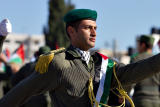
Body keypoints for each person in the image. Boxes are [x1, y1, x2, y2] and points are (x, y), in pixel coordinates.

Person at [1, 9, 160, 107]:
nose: (94, 32)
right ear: (71, 31)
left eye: (95, 28)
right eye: (87, 27)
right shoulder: (59, 63)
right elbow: (20, 93)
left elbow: (135, 71)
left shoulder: (102, 64)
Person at [131, 35, 160, 107]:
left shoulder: (136, 58)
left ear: (143, 45)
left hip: (141, 100)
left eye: (138, 44)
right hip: (156, 100)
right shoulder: (157, 60)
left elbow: (131, 80)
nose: (137, 47)